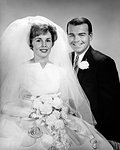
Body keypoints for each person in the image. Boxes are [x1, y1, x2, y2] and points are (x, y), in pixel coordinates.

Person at [0, 16, 113, 150]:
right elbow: (5, 106)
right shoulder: (19, 71)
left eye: (48, 40)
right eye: (38, 40)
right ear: (31, 43)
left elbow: (67, 103)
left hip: (57, 121)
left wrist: (57, 111)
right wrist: (32, 113)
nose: (44, 45)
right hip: (25, 123)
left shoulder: (61, 71)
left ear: (53, 43)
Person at [66, 17, 120, 143]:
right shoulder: (64, 60)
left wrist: (111, 139)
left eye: (81, 35)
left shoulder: (104, 63)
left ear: (90, 36)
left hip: (97, 134)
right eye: (71, 35)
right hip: (70, 131)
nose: (76, 40)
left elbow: (113, 106)